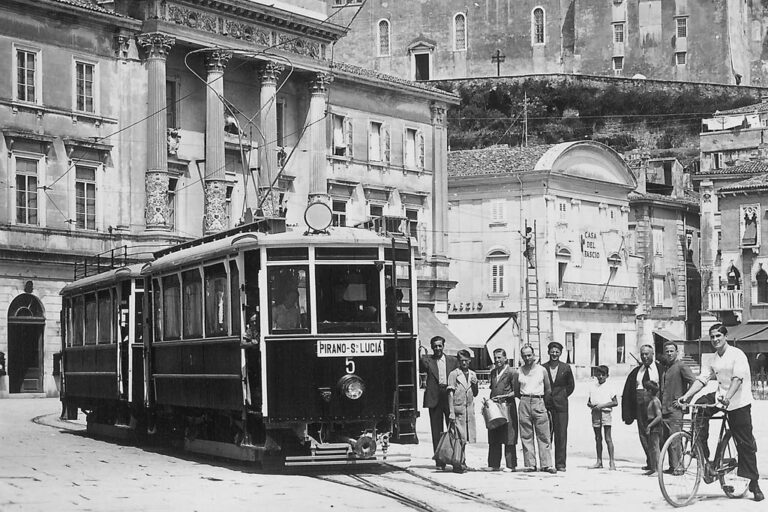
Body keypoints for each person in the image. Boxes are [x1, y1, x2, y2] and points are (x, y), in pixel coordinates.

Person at [677, 324, 764, 502]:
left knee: (745, 443)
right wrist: (686, 396)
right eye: (712, 337)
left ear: (725, 336)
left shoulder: (737, 355)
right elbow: (702, 379)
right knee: (699, 407)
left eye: (718, 336)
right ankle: (705, 458)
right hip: (720, 396)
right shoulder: (714, 358)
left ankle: (754, 483)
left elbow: (737, 379)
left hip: (738, 401)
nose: (715, 340)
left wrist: (728, 397)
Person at [420, 335, 459, 469]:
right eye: (435, 346)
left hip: (448, 395)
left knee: (453, 429)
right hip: (434, 397)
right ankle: (439, 461)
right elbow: (420, 365)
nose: (437, 348)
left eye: (440, 346)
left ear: (444, 346)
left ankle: (456, 459)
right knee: (436, 431)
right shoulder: (427, 361)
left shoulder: (453, 361)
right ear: (432, 347)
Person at [621, 344, 662, 471]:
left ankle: (658, 465)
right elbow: (628, 391)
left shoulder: (660, 369)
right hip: (640, 406)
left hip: (655, 404)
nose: (644, 357)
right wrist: (627, 413)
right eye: (642, 354)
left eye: (647, 354)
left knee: (656, 435)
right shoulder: (637, 371)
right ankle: (650, 462)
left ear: (652, 354)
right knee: (643, 434)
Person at [517, 344, 556, 473]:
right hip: (524, 401)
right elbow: (516, 389)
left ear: (533, 355)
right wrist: (525, 399)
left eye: (529, 355)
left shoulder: (541, 370)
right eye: (524, 356)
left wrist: (543, 403)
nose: (527, 358)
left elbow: (548, 388)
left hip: (539, 401)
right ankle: (530, 464)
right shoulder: (519, 371)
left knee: (544, 434)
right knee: (526, 435)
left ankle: (546, 464)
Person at [659, 340, 695, 473]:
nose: (669, 353)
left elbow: (693, 382)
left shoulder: (681, 366)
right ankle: (672, 466)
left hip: (676, 409)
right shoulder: (666, 367)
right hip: (665, 408)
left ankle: (679, 467)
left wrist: (685, 400)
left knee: (675, 439)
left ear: (676, 352)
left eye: (671, 351)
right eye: (667, 351)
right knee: (666, 439)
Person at [543, 340, 575, 472]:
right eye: (552, 351)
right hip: (546, 404)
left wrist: (562, 395)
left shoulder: (566, 367)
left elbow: (571, 386)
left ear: (561, 353)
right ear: (548, 352)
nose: (554, 354)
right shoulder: (543, 367)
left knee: (561, 435)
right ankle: (547, 463)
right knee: (546, 435)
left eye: (557, 352)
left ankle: (560, 464)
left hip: (561, 406)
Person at [487, 348, 519, 472]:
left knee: (509, 435)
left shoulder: (512, 372)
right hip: (495, 407)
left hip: (508, 406)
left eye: (499, 357)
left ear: (505, 358)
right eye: (495, 358)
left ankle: (511, 465)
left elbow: (516, 391)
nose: (497, 360)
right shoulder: (493, 372)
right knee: (494, 434)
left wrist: (504, 396)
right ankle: (494, 464)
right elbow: (493, 388)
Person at [448, 349, 478, 473]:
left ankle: (462, 461)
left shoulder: (473, 374)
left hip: (469, 410)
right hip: (458, 409)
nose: (464, 363)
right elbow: (450, 393)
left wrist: (475, 384)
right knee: (459, 437)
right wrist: (451, 411)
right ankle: (458, 463)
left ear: (470, 361)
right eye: (461, 361)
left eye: (466, 360)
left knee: (465, 438)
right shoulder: (454, 374)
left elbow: (475, 393)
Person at [587, 365, 617, 470]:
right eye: (598, 374)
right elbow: (589, 402)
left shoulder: (610, 387)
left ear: (607, 376)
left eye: (602, 375)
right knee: (598, 438)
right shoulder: (592, 386)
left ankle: (612, 462)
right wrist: (592, 406)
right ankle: (599, 461)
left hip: (605, 413)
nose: (600, 377)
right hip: (595, 413)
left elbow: (615, 402)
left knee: (608, 438)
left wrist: (602, 406)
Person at [644, 380, 663, 476]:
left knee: (656, 448)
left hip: (655, 426)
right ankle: (653, 467)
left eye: (646, 390)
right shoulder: (651, 401)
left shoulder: (655, 401)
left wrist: (649, 425)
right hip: (651, 424)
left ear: (650, 391)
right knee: (651, 448)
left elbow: (659, 416)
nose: (644, 392)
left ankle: (657, 469)